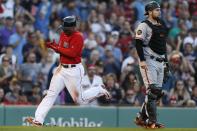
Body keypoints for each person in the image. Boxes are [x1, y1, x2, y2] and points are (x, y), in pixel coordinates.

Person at [25, 16, 110, 127]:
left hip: (74, 70)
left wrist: (57, 48)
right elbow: (62, 50)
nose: (64, 29)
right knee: (51, 94)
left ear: (73, 27)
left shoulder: (78, 37)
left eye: (66, 28)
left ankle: (99, 89)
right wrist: (55, 47)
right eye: (63, 27)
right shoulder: (63, 34)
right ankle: (38, 120)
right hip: (61, 69)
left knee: (80, 100)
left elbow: (72, 53)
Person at [134, 1, 170, 129]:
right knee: (152, 90)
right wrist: (142, 60)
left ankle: (141, 117)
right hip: (149, 60)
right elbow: (138, 43)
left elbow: (162, 45)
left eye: (159, 10)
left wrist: (166, 63)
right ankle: (151, 122)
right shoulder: (143, 25)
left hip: (160, 61)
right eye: (156, 10)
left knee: (157, 92)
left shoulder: (161, 24)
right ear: (149, 11)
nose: (158, 12)